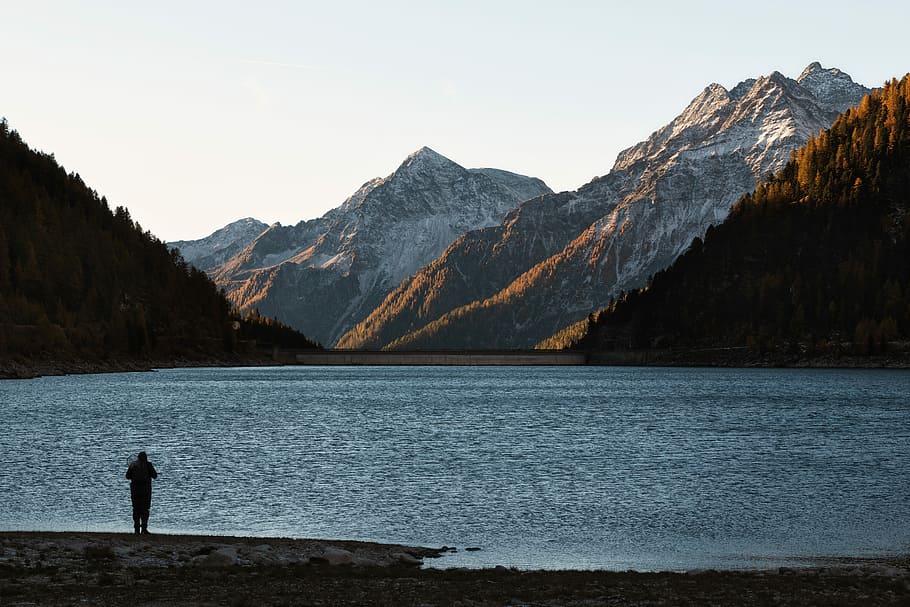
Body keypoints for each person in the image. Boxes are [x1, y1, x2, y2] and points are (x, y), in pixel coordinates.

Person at [126, 451, 158, 534]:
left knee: (136, 509)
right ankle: (144, 529)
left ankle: (136, 529)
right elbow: (155, 476)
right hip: (146, 491)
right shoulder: (148, 465)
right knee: (145, 510)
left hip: (135, 491)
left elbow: (127, 476)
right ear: (146, 458)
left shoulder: (133, 465)